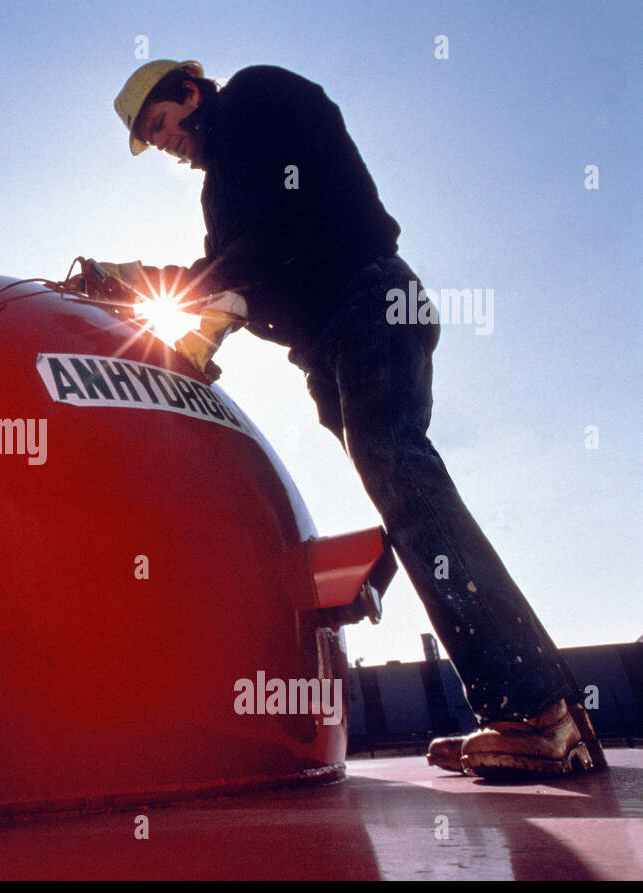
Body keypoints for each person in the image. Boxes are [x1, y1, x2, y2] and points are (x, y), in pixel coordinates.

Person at [75, 59, 605, 778]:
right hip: (330, 339)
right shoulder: (222, 186)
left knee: (402, 475)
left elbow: (257, 249)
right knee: (406, 487)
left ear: (190, 93)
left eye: (162, 125)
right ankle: (553, 717)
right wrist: (162, 311)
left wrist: (144, 279)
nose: (165, 143)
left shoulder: (257, 99)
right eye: (152, 138)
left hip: (368, 302)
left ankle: (533, 711)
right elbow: (232, 283)